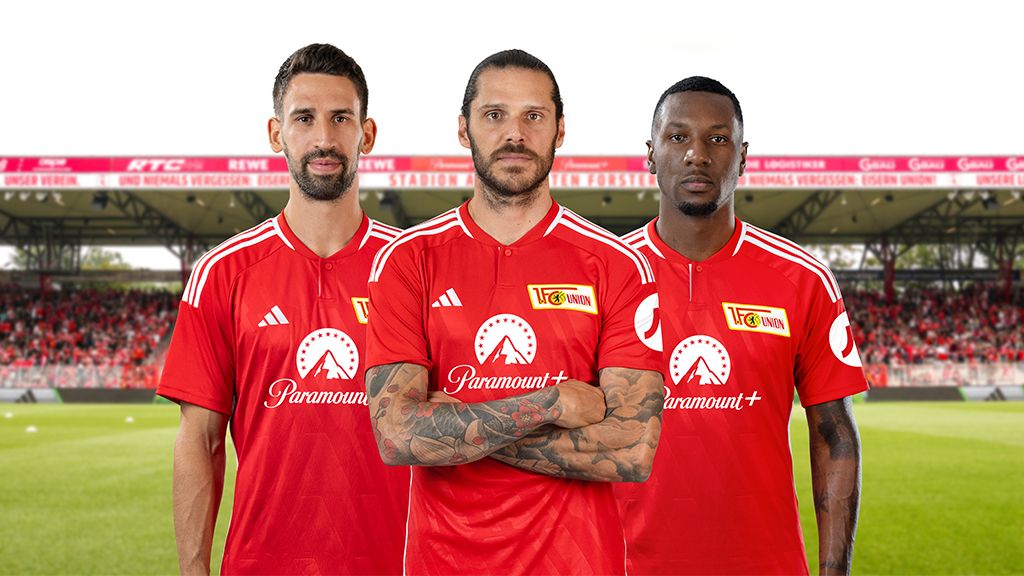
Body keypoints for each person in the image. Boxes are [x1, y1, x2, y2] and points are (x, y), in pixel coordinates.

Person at [364, 49, 664, 575]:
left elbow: (632, 451)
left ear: (560, 130)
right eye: (494, 115)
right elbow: (396, 436)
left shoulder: (618, 265)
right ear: (464, 129)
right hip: (445, 563)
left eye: (534, 116)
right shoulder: (408, 260)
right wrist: (550, 402)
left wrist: (457, 426)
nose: (515, 134)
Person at [158, 44, 409, 575]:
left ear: (367, 134)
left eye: (341, 118)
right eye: (304, 118)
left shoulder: (411, 269)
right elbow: (200, 440)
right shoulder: (222, 273)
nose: (324, 139)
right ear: (276, 133)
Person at [619, 76, 866, 575]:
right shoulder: (606, 277)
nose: (697, 154)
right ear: (650, 153)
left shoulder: (803, 279)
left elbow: (835, 436)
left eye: (717, 138)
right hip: (624, 564)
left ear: (743, 155)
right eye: (678, 136)